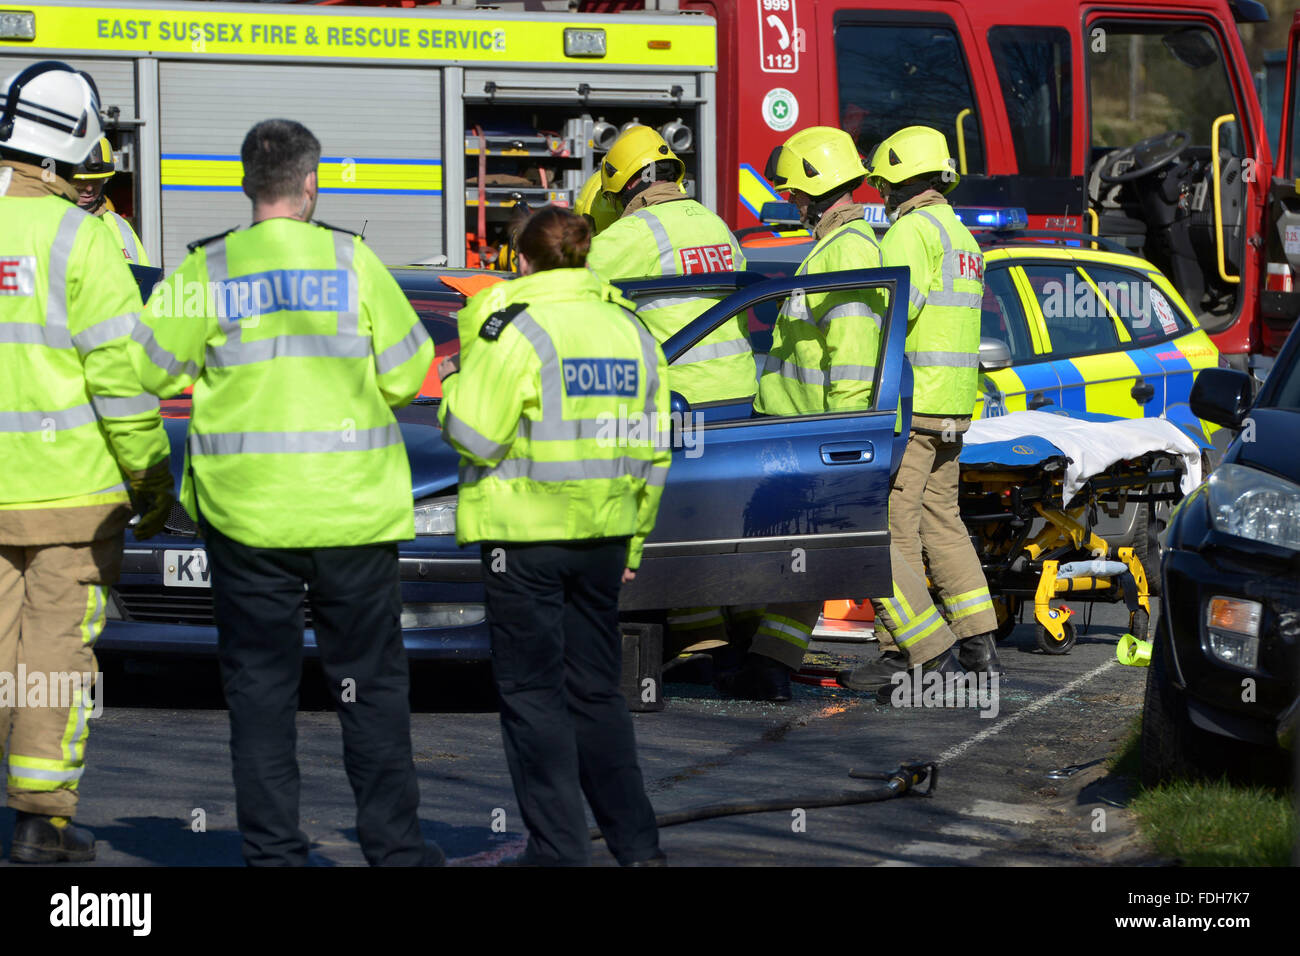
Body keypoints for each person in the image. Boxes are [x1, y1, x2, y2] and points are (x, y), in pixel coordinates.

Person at [130, 118, 441, 866]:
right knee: (369, 690)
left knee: (261, 695)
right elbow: (408, 375)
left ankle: (274, 855)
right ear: (311, 185)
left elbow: (144, 368)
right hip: (353, 516)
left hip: (248, 518)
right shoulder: (354, 262)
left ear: (245, 185)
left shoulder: (207, 269)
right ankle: (395, 851)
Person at [438, 206, 670, 867]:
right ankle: (638, 850)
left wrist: (457, 383)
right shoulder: (631, 328)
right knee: (597, 694)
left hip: (525, 539)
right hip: (603, 536)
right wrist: (633, 541)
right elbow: (656, 448)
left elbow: (478, 436)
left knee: (533, 698)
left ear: (523, 259)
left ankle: (558, 851)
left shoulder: (514, 324)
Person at [0, 61, 172, 862]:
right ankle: (40, 820)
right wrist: (151, 483)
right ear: (70, 144)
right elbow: (123, 384)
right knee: (54, 659)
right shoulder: (81, 236)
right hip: (73, 497)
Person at [717, 126, 893, 701]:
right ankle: (763, 661)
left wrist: (844, 436)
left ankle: (769, 667)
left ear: (817, 188)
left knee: (815, 557)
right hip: (798, 430)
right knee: (795, 555)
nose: (791, 202)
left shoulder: (848, 251)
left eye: (795, 192)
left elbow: (854, 351)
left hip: (817, 434)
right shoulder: (837, 247)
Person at [839, 125, 1001, 694]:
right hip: (954, 406)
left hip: (913, 407)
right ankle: (980, 639)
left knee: (892, 531)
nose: (881, 194)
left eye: (884, 184)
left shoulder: (910, 233)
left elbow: (890, 319)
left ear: (901, 180)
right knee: (945, 523)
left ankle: (908, 649)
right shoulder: (961, 234)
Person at [587, 127, 751, 661]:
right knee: (718, 521)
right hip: (735, 395)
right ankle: (725, 631)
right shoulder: (715, 224)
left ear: (622, 188)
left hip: (680, 400)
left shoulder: (628, 236)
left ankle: (697, 634)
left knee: (658, 521)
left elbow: (574, 296)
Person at [586, 125, 752, 407]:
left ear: (627, 185)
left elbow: (561, 283)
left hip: (679, 396)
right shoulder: (716, 224)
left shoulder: (633, 231)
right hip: (740, 391)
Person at [71, 136, 149, 266]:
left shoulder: (120, 226)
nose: (89, 189)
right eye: (80, 182)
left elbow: (144, 278)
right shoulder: (47, 224)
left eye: (97, 181)